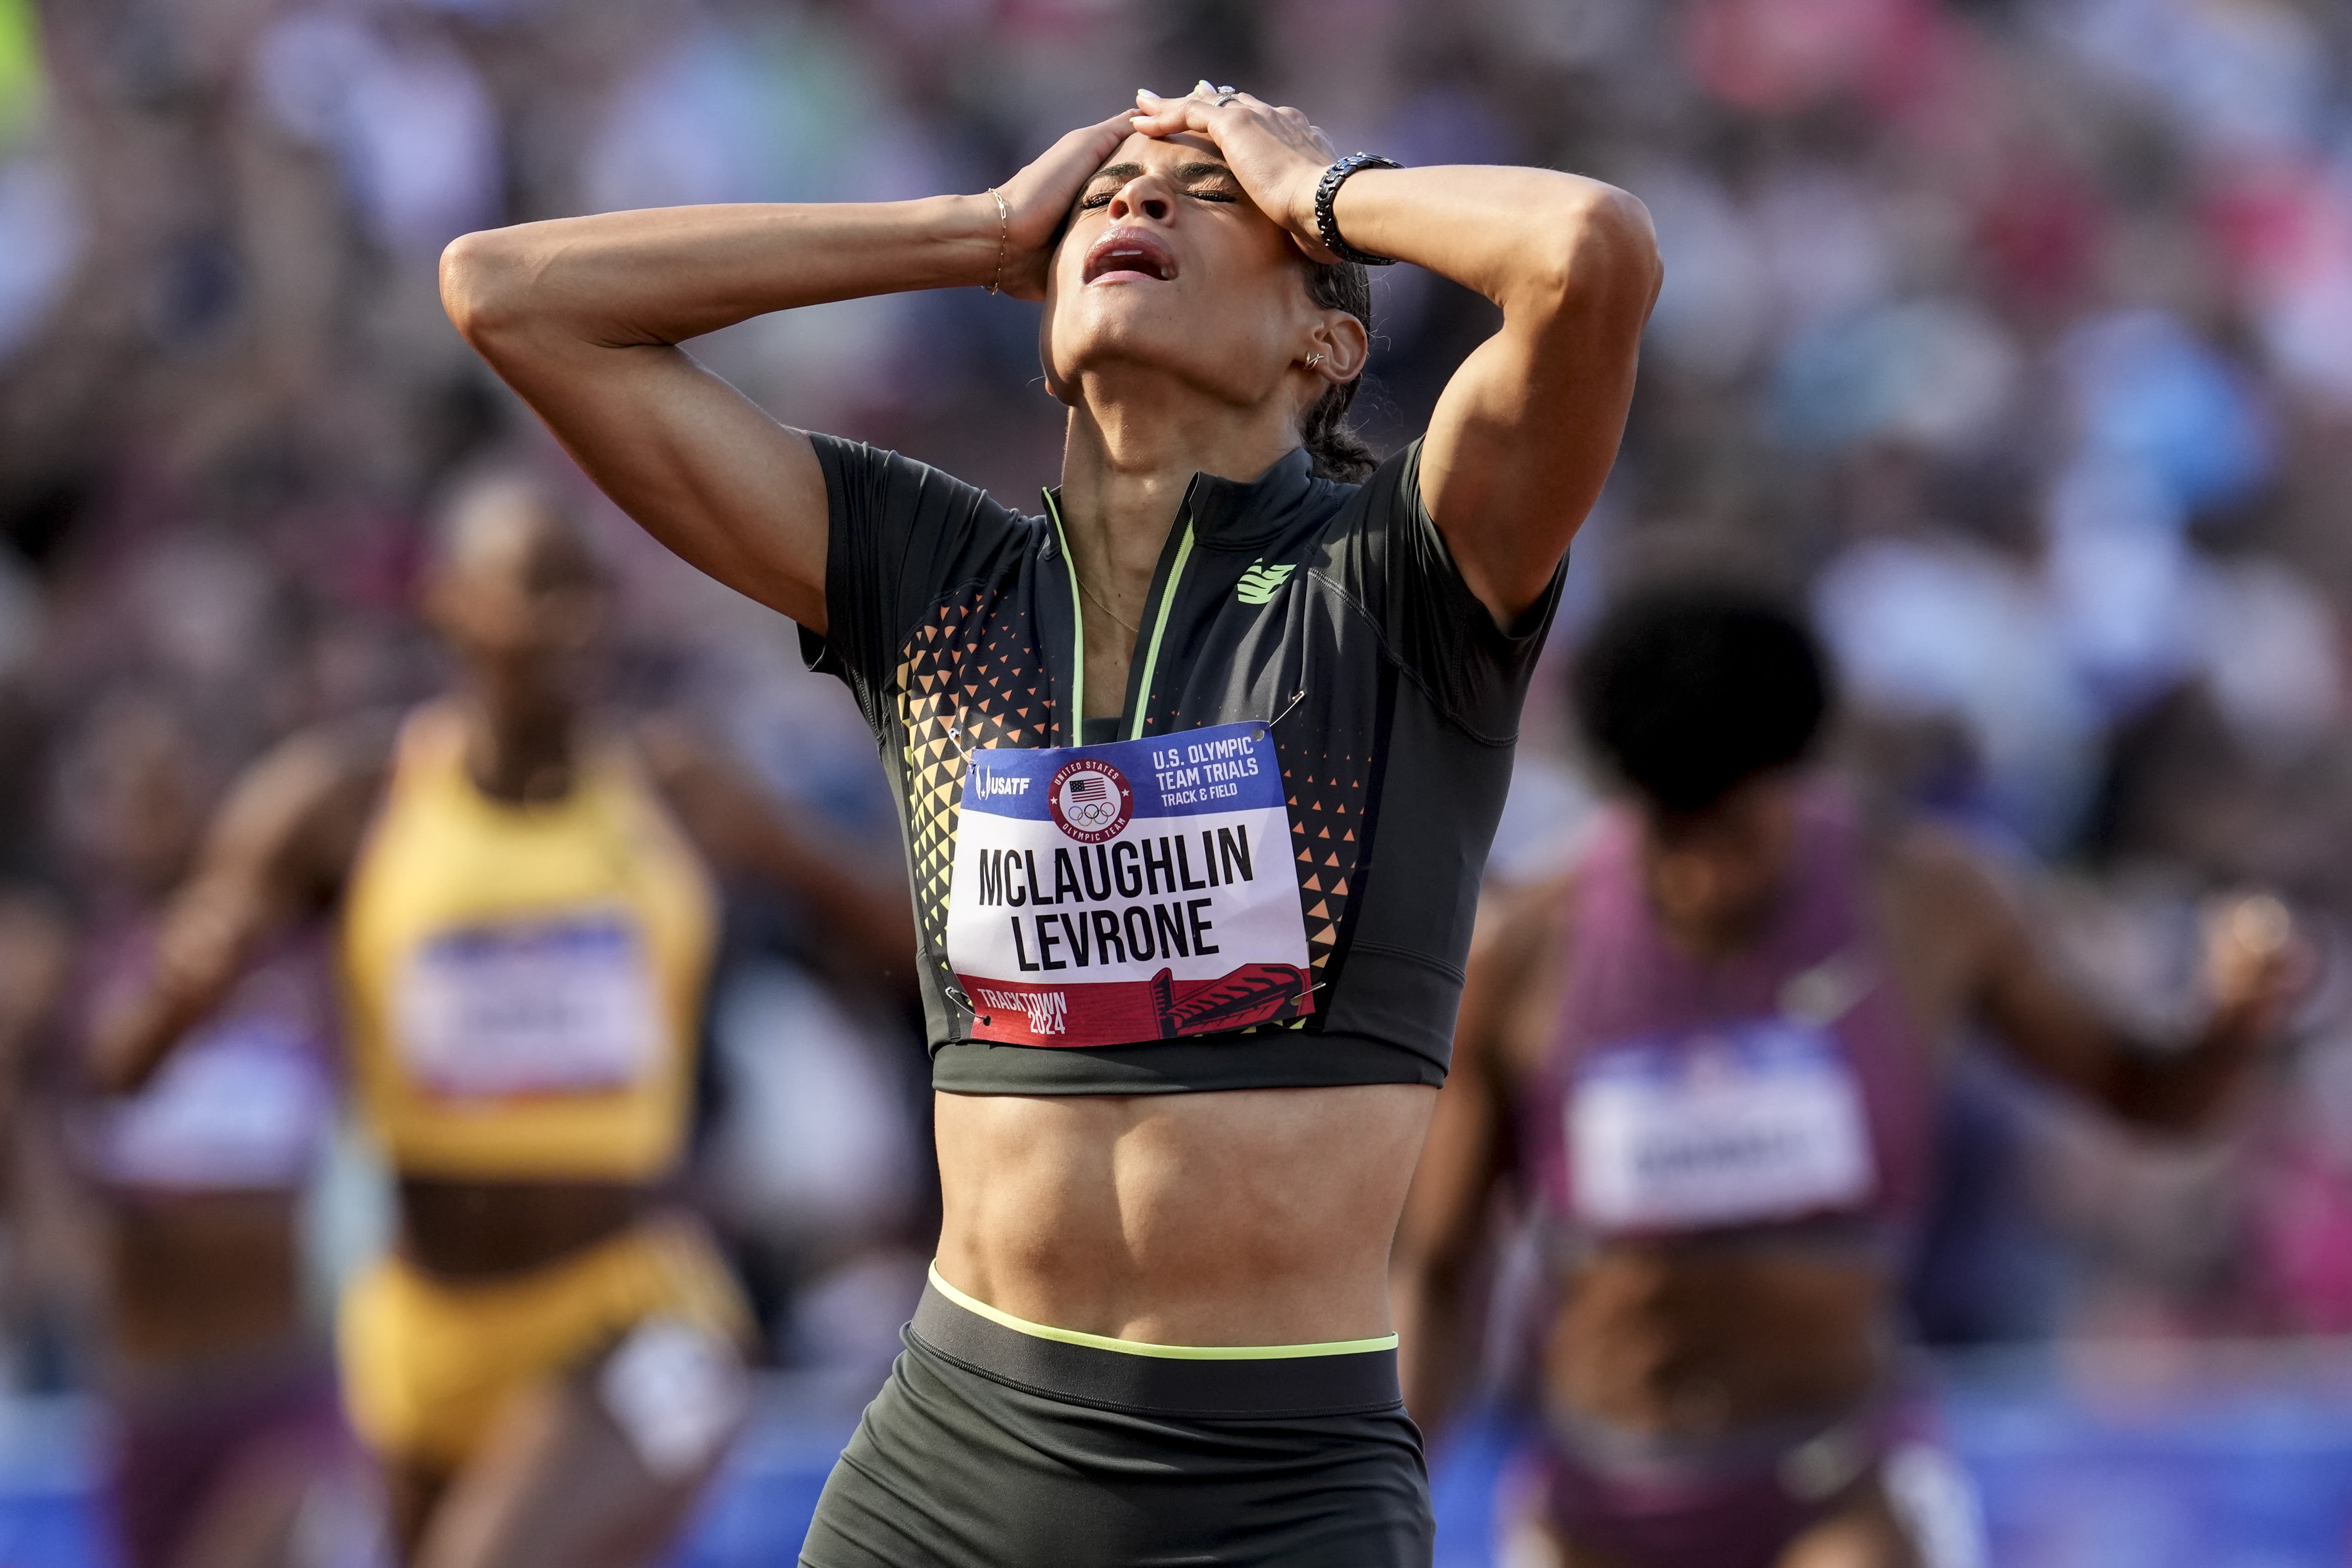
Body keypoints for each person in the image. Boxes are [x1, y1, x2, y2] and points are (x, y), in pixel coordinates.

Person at [437, 79, 1660, 1567]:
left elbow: (1586, 253)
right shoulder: (928, 579)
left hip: (1277, 1488)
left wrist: (1319, 186)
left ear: (1324, 341)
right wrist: (970, 229)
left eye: (1205, 201)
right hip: (950, 1466)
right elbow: (505, 296)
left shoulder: (1404, 573)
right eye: (1102, 201)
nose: (1132, 205)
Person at [88, 477, 914, 1568]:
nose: (573, 621)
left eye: (589, 592)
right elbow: (121, 1064)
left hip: (639, 1310)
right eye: (538, 589)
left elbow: (894, 931)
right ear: (450, 604)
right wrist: (178, 992)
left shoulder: (675, 790)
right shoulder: (344, 800)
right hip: (422, 1335)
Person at [1391, 582, 2295, 1568]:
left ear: (1795, 776)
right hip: (1601, 1497)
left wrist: (2229, 1022)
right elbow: (1438, 1270)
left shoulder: (1927, 900)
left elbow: (2143, 1095)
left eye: (1735, 833)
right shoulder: (1525, 950)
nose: (1702, 876)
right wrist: (1386, 1498)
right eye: (1671, 838)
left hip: (1833, 1482)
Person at [33, 694, 355, 1568]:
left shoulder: (301, 960)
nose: (149, 807)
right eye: (126, 788)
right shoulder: (70, 967)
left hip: (278, 1386)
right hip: (143, 1394)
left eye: (170, 783)